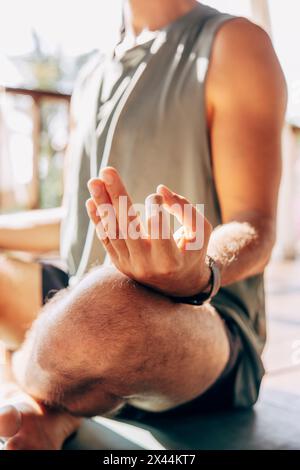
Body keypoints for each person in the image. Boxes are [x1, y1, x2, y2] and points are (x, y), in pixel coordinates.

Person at [0, 0, 286, 450]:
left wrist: (198, 271)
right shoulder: (91, 74)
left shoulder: (234, 43)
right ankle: (61, 400)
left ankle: (38, 392)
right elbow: (79, 220)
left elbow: (256, 224)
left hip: (194, 320)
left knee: (99, 316)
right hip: (78, 301)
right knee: (84, 309)